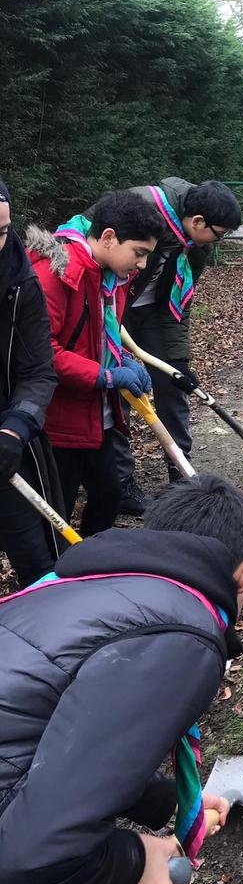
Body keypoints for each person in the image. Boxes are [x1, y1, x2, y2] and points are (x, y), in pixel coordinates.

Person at [0, 473, 243, 884]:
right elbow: (30, 855)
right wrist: (132, 862)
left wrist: (169, 802)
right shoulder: (183, 635)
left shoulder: (77, 588)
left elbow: (64, 740)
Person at [95, 179, 242, 515]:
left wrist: (178, 360)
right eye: (219, 234)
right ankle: (122, 482)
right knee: (121, 390)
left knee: (173, 384)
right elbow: (94, 242)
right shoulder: (144, 208)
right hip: (110, 307)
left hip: (151, 313)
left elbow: (180, 302)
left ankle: (181, 472)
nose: (218, 242)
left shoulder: (195, 246)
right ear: (198, 222)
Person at [27, 192, 160, 537]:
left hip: (94, 413)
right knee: (58, 509)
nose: (142, 265)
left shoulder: (109, 276)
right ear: (109, 237)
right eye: (139, 253)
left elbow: (102, 336)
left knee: (109, 493)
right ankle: (51, 578)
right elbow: (45, 353)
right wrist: (107, 376)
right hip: (57, 419)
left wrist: (125, 360)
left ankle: (91, 562)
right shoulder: (57, 272)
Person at [0, 179, 61, 587]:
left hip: (7, 446)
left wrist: (16, 426)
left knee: (38, 558)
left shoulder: (20, 283)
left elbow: (38, 370)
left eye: (2, 231)